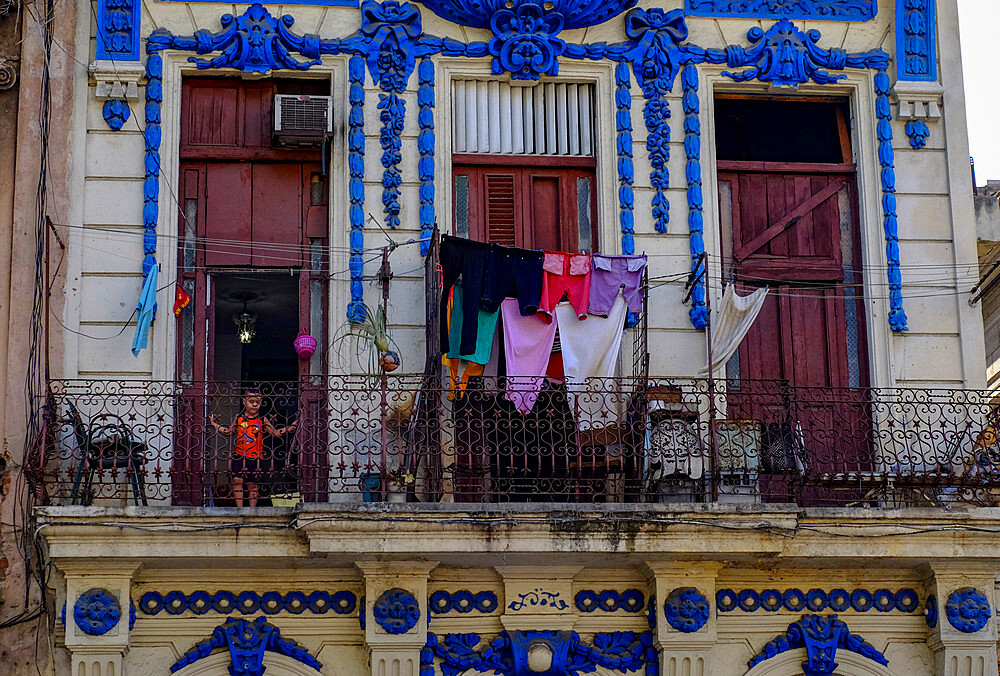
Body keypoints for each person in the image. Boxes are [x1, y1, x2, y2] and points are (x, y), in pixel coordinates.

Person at [209, 388, 296, 507]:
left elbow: (274, 433)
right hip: (240, 454)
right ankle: (239, 509)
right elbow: (229, 431)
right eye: (251, 401)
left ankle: (251, 510)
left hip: (255, 456)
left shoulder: (262, 420)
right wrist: (214, 424)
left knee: (253, 485)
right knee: (237, 480)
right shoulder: (239, 418)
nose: (255, 404)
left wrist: (291, 427)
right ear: (244, 402)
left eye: (258, 402)